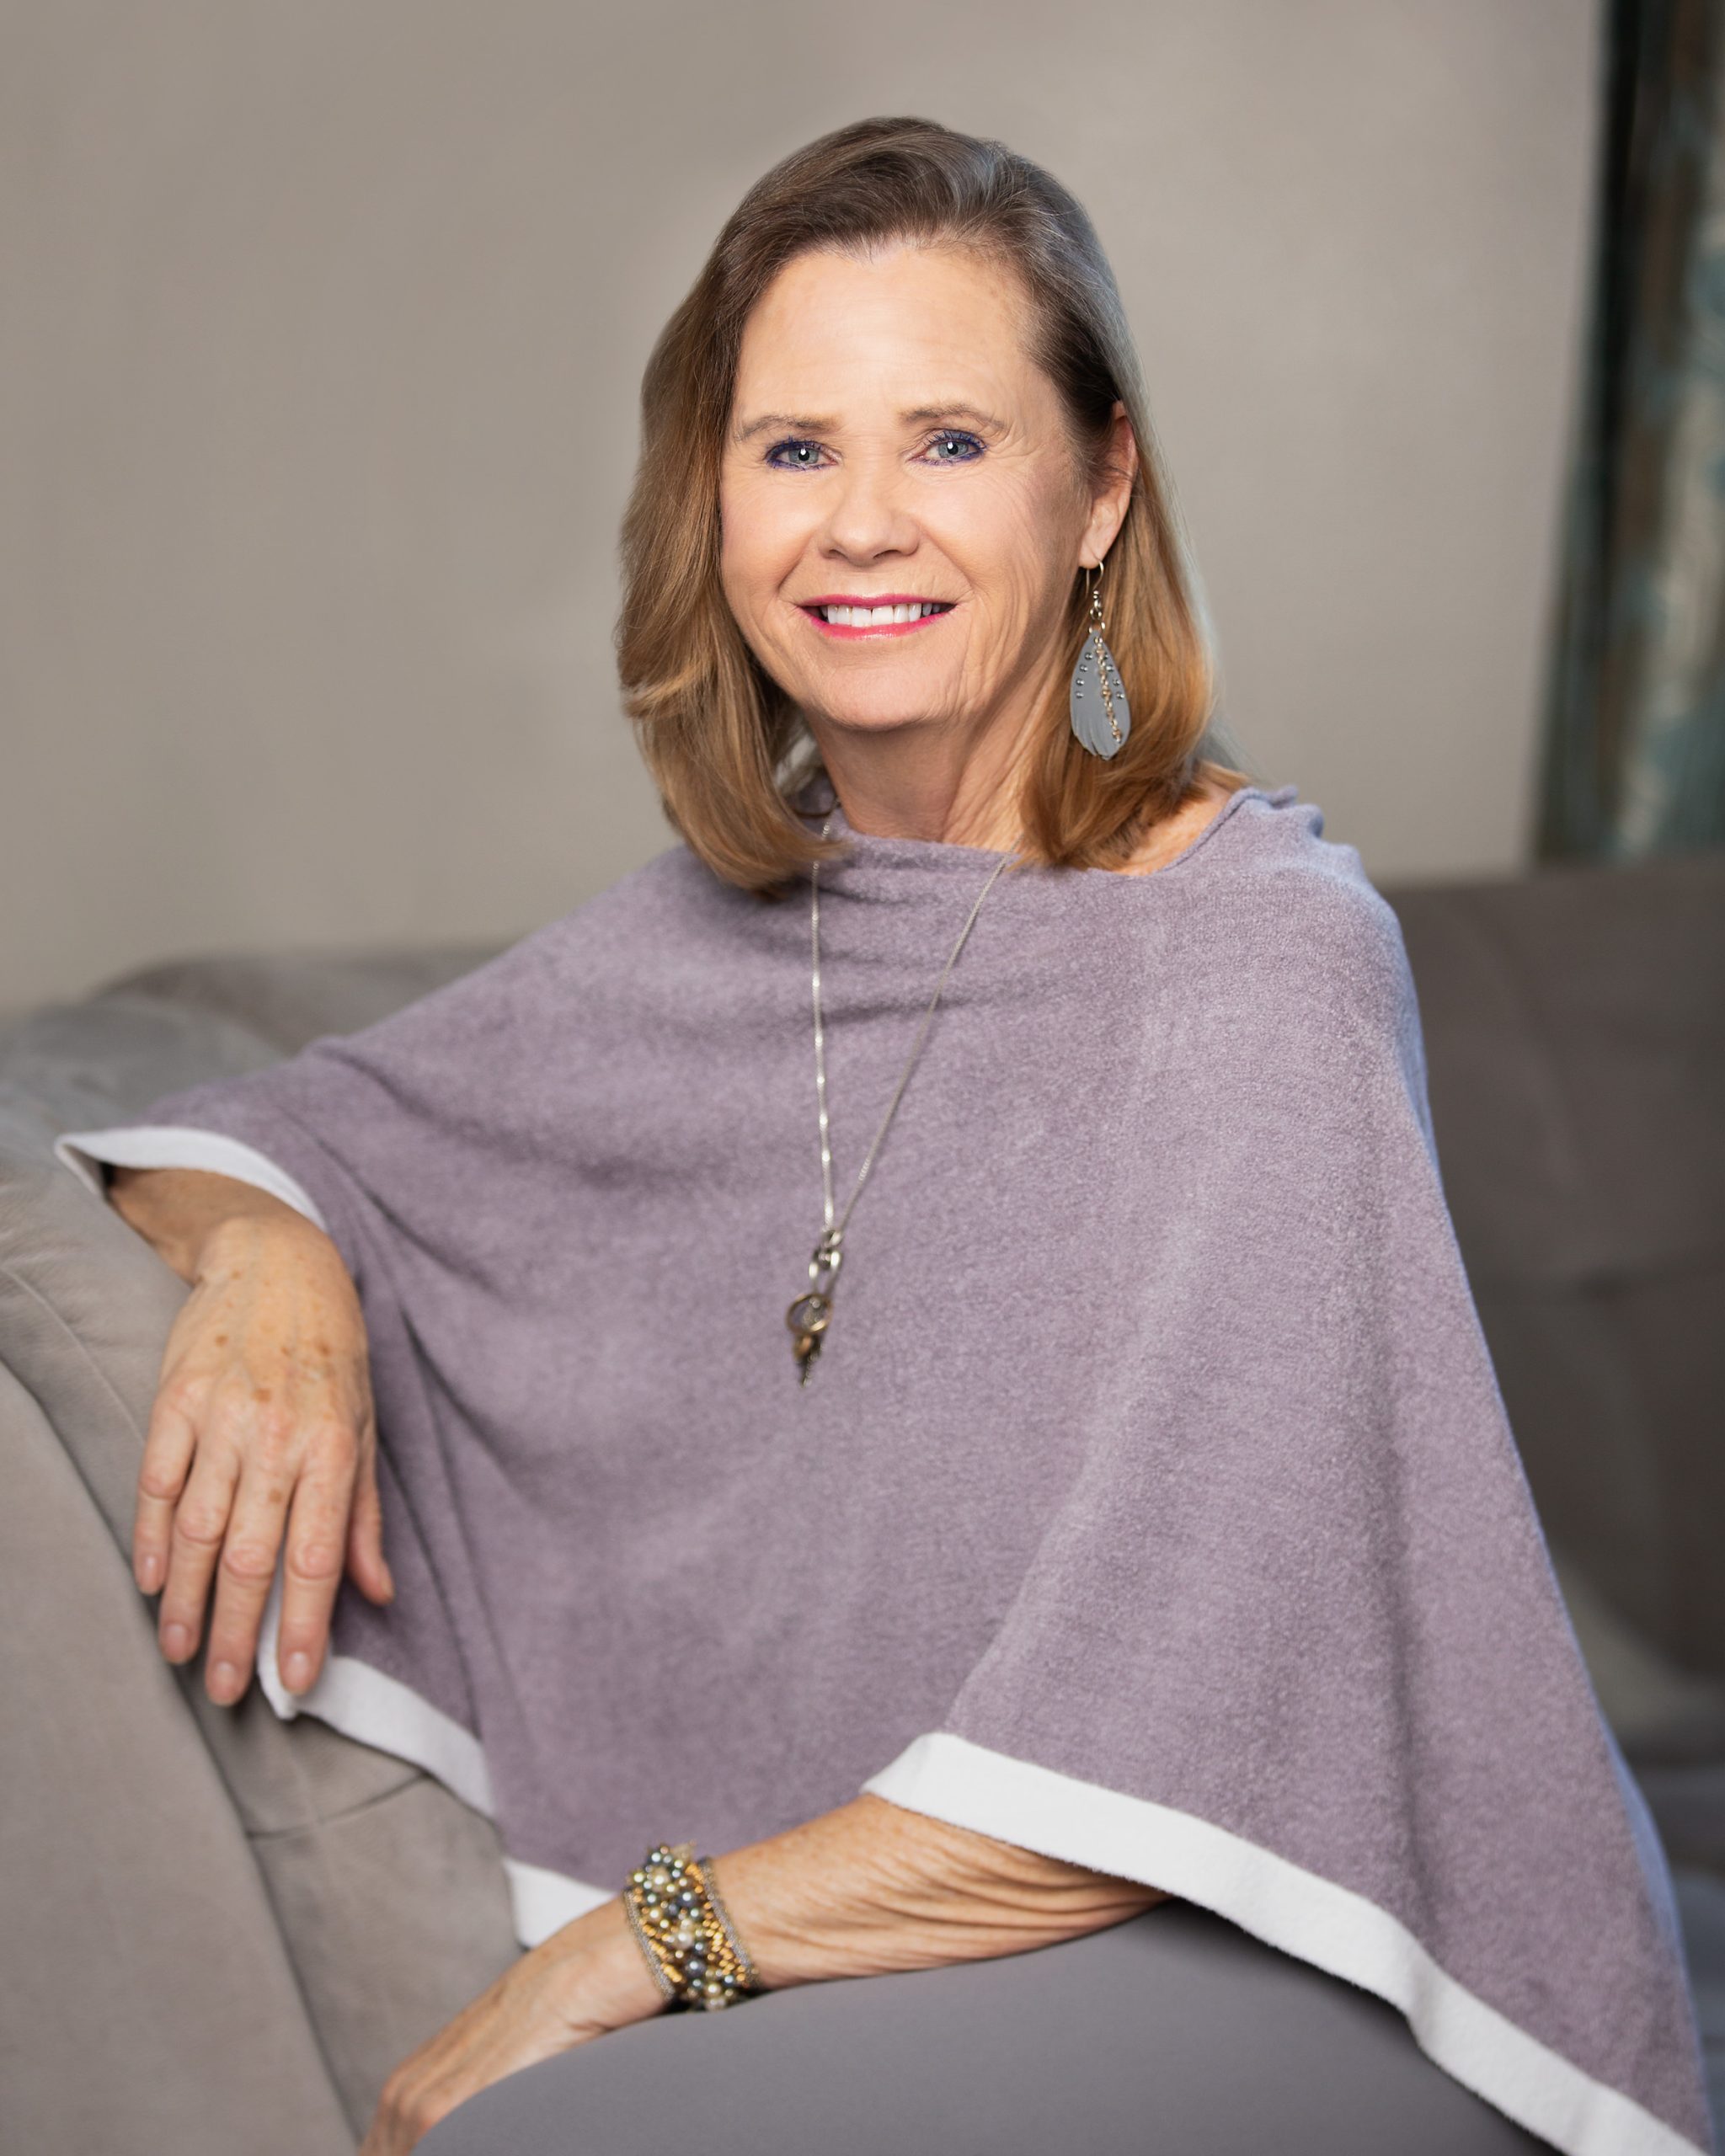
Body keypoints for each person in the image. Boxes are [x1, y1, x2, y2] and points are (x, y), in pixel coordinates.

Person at [58, 120, 1711, 2156]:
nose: (857, 524)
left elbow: (1179, 1724)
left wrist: (631, 1940)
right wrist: (273, 1258)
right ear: (711, 499)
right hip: (929, 1938)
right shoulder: (706, 937)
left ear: (1098, 486)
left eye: (946, 441)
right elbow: (236, 1134)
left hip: (1302, 1932)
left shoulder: (1261, 965)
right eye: (790, 448)